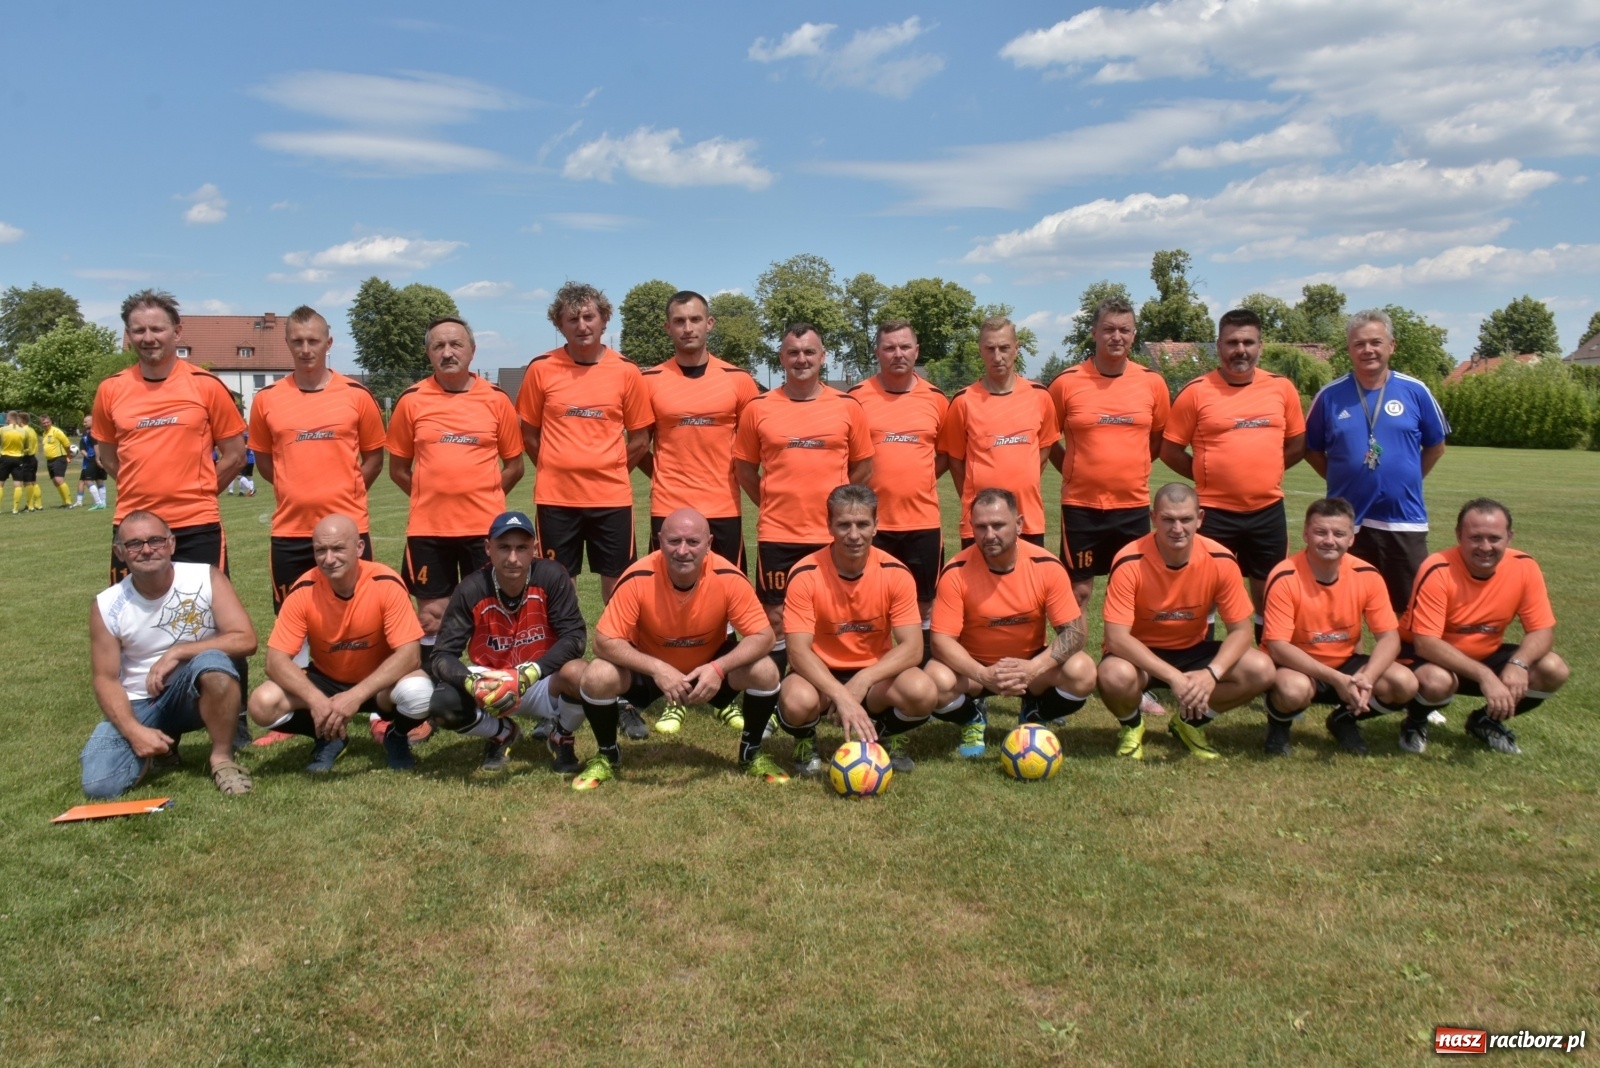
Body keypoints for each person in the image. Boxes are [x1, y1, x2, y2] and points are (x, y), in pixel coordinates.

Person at [574, 508, 784, 790]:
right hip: (652, 667)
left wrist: (718, 668)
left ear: (709, 544)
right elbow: (603, 641)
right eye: (674, 541)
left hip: (709, 668)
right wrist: (658, 668)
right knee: (597, 675)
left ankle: (752, 753)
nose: (682, 551)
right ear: (660, 540)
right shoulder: (638, 577)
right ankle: (607, 755)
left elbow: (764, 636)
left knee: (766, 670)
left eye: (693, 542)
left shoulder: (727, 576)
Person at [390, 511, 589, 773]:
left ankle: (561, 735)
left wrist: (530, 672)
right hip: (490, 681)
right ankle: (501, 732)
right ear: (488, 548)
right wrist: (472, 683)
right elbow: (442, 655)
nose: (513, 558)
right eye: (503, 547)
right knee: (443, 702)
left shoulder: (552, 576)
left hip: (540, 677)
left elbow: (575, 637)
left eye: (522, 548)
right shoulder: (471, 588)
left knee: (581, 674)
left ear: (535, 548)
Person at [81, 510, 257, 798]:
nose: (147, 549)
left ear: (172, 544)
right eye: (134, 544)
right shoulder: (106, 605)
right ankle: (158, 747)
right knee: (101, 784)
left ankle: (222, 759)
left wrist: (179, 652)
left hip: (196, 693)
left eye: (156, 540)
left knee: (213, 662)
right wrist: (133, 731)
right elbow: (105, 679)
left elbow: (246, 639)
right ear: (120, 553)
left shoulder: (206, 577)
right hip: (141, 702)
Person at [1096, 483, 1275, 760]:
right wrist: (1173, 677)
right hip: (1140, 653)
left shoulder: (1221, 560)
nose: (1177, 528)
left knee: (1261, 669)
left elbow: (1241, 631)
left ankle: (1189, 724)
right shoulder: (1130, 559)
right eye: (1168, 519)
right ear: (1153, 518)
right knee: (1113, 675)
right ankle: (1132, 725)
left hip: (1192, 650)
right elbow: (1117, 637)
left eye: (1186, 519)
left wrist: (1211, 673)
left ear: (1200, 519)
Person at [733, 323, 873, 672]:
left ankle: (826, 686)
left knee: (833, 611)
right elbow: (746, 471)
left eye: (809, 352)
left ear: (822, 357)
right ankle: (776, 694)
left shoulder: (847, 406)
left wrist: (836, 508)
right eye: (793, 352)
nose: (801, 359)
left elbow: (864, 466)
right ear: (781, 357)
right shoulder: (758, 407)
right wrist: (771, 503)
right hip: (779, 534)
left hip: (833, 535)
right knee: (776, 616)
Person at [246, 514, 433, 773]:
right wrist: (317, 701)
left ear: (359, 548)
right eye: (320, 550)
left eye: (337, 548)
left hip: (380, 684)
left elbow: (410, 655)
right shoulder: (304, 589)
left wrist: (355, 696)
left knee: (419, 692)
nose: (328, 558)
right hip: (328, 679)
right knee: (262, 703)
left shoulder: (384, 583)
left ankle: (396, 735)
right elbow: (274, 661)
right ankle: (329, 736)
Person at [924, 488, 1096, 759]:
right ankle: (972, 717)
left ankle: (1034, 713)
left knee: (1083, 670)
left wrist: (1033, 668)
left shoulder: (1046, 565)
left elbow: (1074, 634)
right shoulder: (956, 571)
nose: (989, 535)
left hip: (1029, 666)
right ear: (971, 527)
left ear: (1018, 524)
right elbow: (940, 641)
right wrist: (983, 675)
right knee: (933, 680)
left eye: (998, 525)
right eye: (981, 527)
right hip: (974, 669)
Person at [778, 484, 936, 776]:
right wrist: (840, 694)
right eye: (843, 525)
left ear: (876, 526)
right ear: (829, 525)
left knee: (923, 691)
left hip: (876, 676)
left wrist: (863, 679)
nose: (853, 535)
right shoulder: (805, 573)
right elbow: (798, 652)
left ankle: (884, 733)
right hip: (819, 675)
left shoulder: (896, 573)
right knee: (796, 701)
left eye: (863, 524)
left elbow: (913, 647)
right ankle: (805, 739)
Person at [1161, 308, 1305, 621]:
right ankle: (1203, 666)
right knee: (1204, 596)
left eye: (1248, 342)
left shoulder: (1281, 388)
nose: (1240, 349)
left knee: (1269, 597)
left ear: (1260, 346)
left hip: (1267, 512)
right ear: (1219, 346)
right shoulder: (1196, 391)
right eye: (1232, 342)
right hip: (1214, 512)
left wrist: (1271, 472)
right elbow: (1169, 450)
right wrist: (1206, 476)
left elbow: (1298, 443)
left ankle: (1269, 667)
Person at [92, 290, 247, 580]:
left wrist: (198, 492)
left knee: (206, 620)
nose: (148, 337)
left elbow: (236, 456)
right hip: (135, 526)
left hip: (196, 524)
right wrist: (141, 489)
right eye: (139, 330)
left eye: (157, 329)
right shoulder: (110, 389)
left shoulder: (207, 386)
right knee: (133, 621)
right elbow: (110, 459)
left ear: (176, 332)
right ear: (128, 335)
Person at [515, 282, 653, 606]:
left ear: (604, 320)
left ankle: (619, 657)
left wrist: (610, 467)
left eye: (589, 317)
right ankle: (564, 657)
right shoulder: (540, 369)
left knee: (619, 591)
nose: (582, 326)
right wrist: (556, 464)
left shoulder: (627, 372)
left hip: (611, 498)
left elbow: (640, 439)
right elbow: (529, 435)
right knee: (557, 590)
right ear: (558, 325)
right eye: (572, 319)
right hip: (556, 499)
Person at [1396, 499, 1568, 756]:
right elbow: (1426, 642)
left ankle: (1485, 721)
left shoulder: (1524, 566)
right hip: (1425, 657)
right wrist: (1486, 676)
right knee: (1438, 680)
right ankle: (1415, 721)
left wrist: (1518, 663)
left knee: (1553, 668)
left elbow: (1542, 630)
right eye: (1475, 537)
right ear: (1459, 536)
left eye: (1494, 538)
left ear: (1509, 537)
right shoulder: (1438, 568)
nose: (1485, 547)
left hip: (1483, 654)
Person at [389, 316, 524, 640]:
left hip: (484, 531)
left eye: (455, 344)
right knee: (433, 621)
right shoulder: (411, 401)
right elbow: (397, 469)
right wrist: (431, 498)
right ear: (429, 354)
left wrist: (483, 494)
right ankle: (437, 689)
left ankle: (497, 688)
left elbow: (515, 465)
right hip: (428, 531)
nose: (447, 352)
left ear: (472, 351)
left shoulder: (496, 399)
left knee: (494, 619)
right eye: (438, 346)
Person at [1305, 309, 1448, 615]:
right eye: (1359, 344)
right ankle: (1350, 663)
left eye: (1375, 342)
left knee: (1409, 609)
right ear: (1349, 349)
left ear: (1391, 346)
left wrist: (1408, 479)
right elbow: (1311, 449)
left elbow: (1436, 446)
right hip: (1347, 522)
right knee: (1344, 608)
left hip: (1403, 518)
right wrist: (1340, 480)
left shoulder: (1415, 391)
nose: (1367, 350)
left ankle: (1406, 663)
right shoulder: (1329, 396)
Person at [248, 306, 386, 613]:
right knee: (292, 623)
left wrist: (346, 491)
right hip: (290, 531)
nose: (306, 349)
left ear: (329, 343)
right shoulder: (267, 399)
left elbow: (375, 458)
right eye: (298, 341)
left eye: (313, 341)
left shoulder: (357, 395)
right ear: (288, 343)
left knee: (358, 617)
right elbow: (264, 461)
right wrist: (293, 486)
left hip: (349, 528)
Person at [1261, 497, 1416, 757]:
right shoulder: (1285, 575)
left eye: (1339, 533)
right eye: (1321, 532)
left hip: (1345, 661)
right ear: (1306, 534)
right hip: (1297, 664)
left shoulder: (1367, 574)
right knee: (1292, 690)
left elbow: (1389, 637)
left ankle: (1344, 719)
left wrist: (1367, 677)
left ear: (1351, 538)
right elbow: (1277, 647)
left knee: (1405, 683)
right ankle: (1279, 725)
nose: (1329, 540)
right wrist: (1336, 679)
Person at [1050, 297, 1171, 608]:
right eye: (1108, 329)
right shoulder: (1066, 383)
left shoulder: (1153, 383)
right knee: (1078, 592)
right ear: (1094, 333)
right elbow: (1049, 439)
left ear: (1133, 334)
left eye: (1124, 330)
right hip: (1081, 507)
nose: (1116, 337)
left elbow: (1157, 439)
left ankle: (1124, 657)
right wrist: (1075, 470)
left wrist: (1131, 468)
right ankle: (1074, 659)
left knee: (1131, 589)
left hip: (1132, 506)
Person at [639, 290, 761, 570]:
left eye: (695, 319)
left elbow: (755, 449)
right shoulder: (649, 381)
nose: (688, 328)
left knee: (730, 594)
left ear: (710, 323)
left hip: (724, 507)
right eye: (679, 321)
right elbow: (638, 446)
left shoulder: (739, 380)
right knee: (666, 596)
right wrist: (662, 472)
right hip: (668, 506)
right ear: (668, 327)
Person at [848, 319, 949, 640]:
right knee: (867, 604)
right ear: (877, 352)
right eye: (889, 347)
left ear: (917, 351)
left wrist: (916, 480)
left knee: (926, 606)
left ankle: (923, 682)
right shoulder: (856, 398)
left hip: (922, 524)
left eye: (905, 347)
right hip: (870, 524)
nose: (898, 354)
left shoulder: (936, 398)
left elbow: (946, 454)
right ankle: (870, 678)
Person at [939, 317, 1058, 550]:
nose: (997, 356)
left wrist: (1025, 479)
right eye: (990, 348)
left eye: (1004, 348)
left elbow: (1044, 449)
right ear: (980, 350)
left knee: (1029, 586)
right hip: (982, 523)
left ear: (1017, 348)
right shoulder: (964, 401)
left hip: (1029, 518)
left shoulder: (1040, 396)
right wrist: (976, 500)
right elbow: (955, 461)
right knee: (979, 586)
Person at [0, 411, 38, 514]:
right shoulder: (23, 431)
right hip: (18, 459)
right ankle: (15, 509)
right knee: (17, 484)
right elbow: (26, 446)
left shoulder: (2, 430)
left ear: (8, 419)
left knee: (1, 483)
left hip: (5, 457)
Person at [40, 415, 76, 508]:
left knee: (59, 480)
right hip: (50, 460)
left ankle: (69, 503)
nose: (46, 424)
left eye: (47, 422)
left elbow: (67, 444)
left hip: (59, 458)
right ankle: (64, 503)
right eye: (43, 423)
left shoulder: (56, 431)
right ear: (41, 424)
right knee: (55, 482)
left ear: (51, 422)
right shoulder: (44, 433)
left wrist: (68, 455)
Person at [77, 414, 108, 510]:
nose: (84, 423)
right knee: (99, 480)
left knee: (87, 480)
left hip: (94, 457)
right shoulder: (99, 431)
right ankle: (103, 503)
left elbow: (96, 446)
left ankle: (98, 502)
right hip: (102, 456)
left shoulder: (92, 432)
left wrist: (97, 459)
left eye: (86, 421)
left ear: (92, 421)